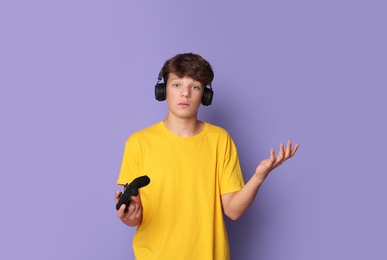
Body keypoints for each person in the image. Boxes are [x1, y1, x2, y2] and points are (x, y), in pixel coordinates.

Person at [115, 53, 299, 259]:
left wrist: (259, 176)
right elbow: (135, 217)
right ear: (162, 89)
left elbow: (233, 211)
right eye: (177, 85)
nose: (185, 94)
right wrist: (128, 216)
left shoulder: (220, 140)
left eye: (194, 87)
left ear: (205, 94)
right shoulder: (138, 143)